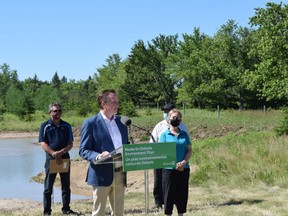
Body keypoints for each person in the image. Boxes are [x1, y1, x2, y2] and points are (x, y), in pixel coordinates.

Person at [79, 89, 129, 216]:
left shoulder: (122, 122)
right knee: (99, 212)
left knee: (119, 211)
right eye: (114, 102)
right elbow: (83, 150)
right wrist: (97, 156)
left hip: (120, 170)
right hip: (101, 174)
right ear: (103, 103)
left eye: (118, 102)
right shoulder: (90, 123)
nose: (117, 105)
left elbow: (126, 145)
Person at [38, 102, 77, 215]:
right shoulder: (45, 126)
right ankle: (47, 211)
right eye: (55, 111)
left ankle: (66, 209)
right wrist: (52, 152)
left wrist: (63, 151)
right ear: (50, 112)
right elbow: (42, 143)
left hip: (64, 159)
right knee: (48, 187)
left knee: (65, 186)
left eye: (59, 111)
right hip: (51, 159)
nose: (57, 113)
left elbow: (70, 143)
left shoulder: (66, 126)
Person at [150, 103, 188, 210]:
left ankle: (175, 203)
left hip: (177, 160)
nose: (166, 113)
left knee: (173, 184)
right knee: (158, 180)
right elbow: (153, 141)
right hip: (160, 157)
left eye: (168, 111)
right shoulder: (159, 126)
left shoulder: (182, 126)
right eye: (164, 112)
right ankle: (158, 202)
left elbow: (186, 142)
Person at [159, 108, 192, 216]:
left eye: (178, 118)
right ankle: (168, 213)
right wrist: (174, 164)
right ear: (169, 120)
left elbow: (189, 150)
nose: (175, 119)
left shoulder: (184, 134)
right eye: (173, 117)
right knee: (169, 194)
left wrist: (183, 162)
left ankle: (181, 213)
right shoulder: (164, 135)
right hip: (169, 170)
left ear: (180, 120)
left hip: (184, 169)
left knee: (182, 194)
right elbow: (161, 152)